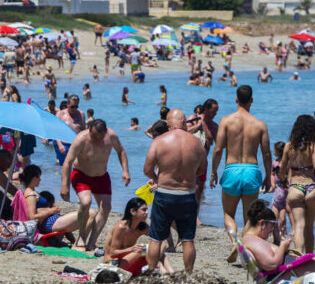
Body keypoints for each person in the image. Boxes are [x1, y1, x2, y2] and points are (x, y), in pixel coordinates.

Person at [211, 84, 272, 262]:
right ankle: (244, 244)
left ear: (236, 99)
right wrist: (269, 176)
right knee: (249, 216)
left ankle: (233, 241)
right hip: (252, 171)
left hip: (232, 169)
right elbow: (267, 154)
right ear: (252, 100)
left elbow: (218, 150)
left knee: (229, 213)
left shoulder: (226, 121)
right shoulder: (260, 125)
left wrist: (214, 172)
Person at [143, 109, 206, 273]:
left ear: (167, 123)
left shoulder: (159, 141)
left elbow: (147, 169)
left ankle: (151, 272)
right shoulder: (196, 142)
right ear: (184, 122)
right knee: (187, 239)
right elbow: (202, 170)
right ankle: (188, 274)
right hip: (187, 195)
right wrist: (188, 175)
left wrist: (157, 179)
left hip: (165, 193)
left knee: (156, 238)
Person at [60, 119, 130, 253]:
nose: (96, 139)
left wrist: (125, 170)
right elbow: (67, 162)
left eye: (100, 136)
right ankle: (81, 236)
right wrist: (64, 185)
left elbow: (121, 151)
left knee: (106, 208)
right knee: (86, 202)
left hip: (101, 176)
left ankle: (92, 242)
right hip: (81, 175)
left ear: (105, 132)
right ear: (89, 129)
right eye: (94, 135)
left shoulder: (112, 136)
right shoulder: (81, 138)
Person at [242, 200, 315, 283]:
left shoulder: (252, 240)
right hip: (287, 273)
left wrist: (277, 240)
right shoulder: (254, 242)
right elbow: (271, 264)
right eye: (272, 225)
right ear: (262, 224)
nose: (272, 230)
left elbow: (270, 257)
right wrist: (283, 247)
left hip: (287, 271)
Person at [280, 114, 315, 255]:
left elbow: (282, 168)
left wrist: (282, 180)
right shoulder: (313, 146)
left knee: (299, 226)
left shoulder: (288, 146)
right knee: (309, 228)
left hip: (295, 188)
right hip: (311, 188)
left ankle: (298, 255)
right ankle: (309, 257)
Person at [104, 197, 173, 276]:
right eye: (144, 210)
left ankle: (171, 273)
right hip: (113, 264)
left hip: (130, 260)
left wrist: (156, 254)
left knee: (154, 250)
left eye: (147, 209)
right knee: (146, 249)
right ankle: (163, 272)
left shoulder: (142, 227)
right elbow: (112, 253)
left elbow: (161, 242)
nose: (147, 212)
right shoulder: (121, 227)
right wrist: (130, 249)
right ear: (133, 211)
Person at [19, 164, 87, 240]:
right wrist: (51, 211)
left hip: (50, 222)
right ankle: (79, 242)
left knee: (84, 215)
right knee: (85, 215)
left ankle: (76, 241)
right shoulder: (30, 195)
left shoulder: (31, 192)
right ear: (34, 178)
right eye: (39, 177)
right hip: (48, 225)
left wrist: (51, 211)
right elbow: (32, 217)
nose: (40, 180)